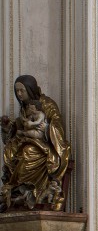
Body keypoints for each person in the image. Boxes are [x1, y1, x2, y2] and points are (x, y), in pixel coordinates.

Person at [1, 75, 71, 210]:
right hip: (27, 141)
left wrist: (47, 128)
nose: (19, 94)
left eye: (22, 90)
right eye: (17, 91)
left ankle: (28, 191)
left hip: (44, 145)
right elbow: (17, 130)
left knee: (28, 153)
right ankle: (18, 191)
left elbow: (57, 126)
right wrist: (6, 128)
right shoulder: (24, 108)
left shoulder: (47, 104)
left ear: (30, 89)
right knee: (10, 151)